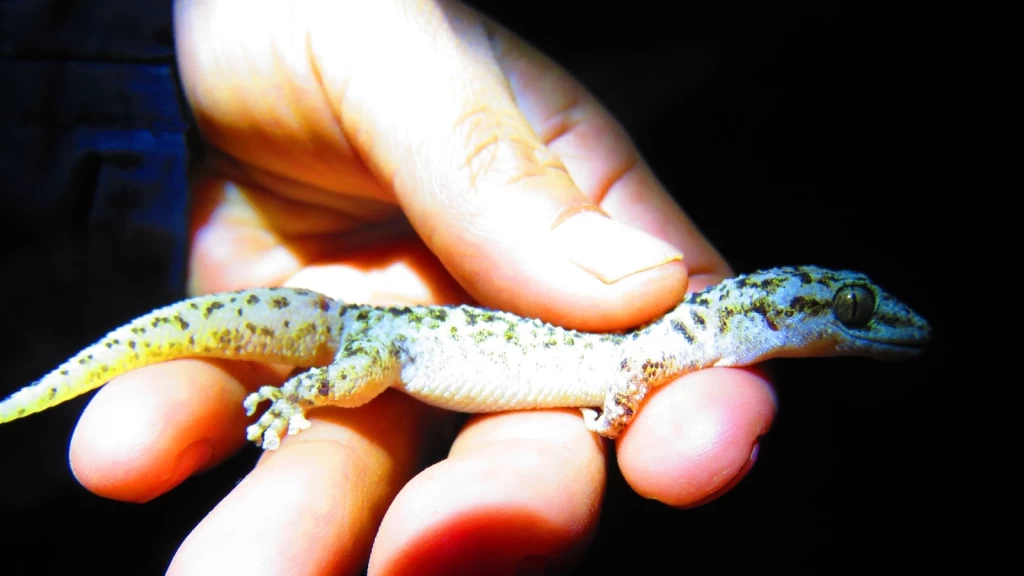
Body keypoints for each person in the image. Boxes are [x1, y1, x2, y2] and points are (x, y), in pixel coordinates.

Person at [68, 2, 777, 574]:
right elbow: (638, 367)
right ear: (772, 314)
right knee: (347, 385)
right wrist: (299, 393)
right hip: (389, 337)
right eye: (848, 310)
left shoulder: (683, 336)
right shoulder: (669, 343)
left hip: (397, 328)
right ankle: (295, 393)